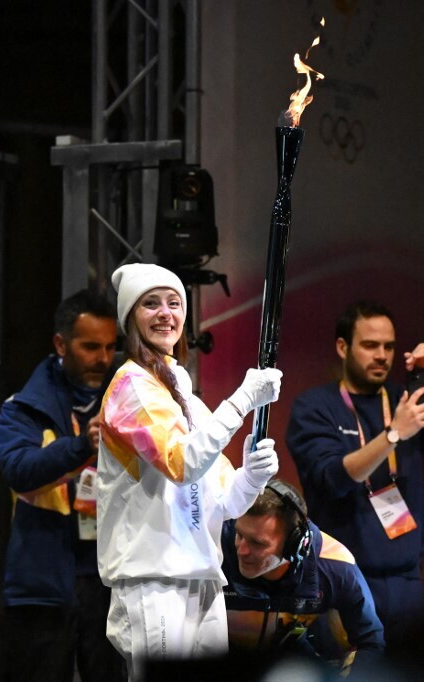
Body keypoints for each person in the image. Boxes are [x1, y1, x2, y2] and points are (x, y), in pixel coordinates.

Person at [96, 263, 282, 678]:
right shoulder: (130, 388)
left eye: (174, 303)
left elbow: (225, 501)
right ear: (130, 317)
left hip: (201, 575)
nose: (165, 313)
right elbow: (182, 463)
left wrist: (253, 475)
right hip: (153, 578)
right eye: (151, 303)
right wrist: (242, 400)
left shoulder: (184, 395)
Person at [286, 300, 424, 645]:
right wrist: (393, 435)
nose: (382, 355)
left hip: (406, 580)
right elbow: (336, 477)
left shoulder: (403, 401)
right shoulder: (314, 407)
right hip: (341, 579)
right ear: (343, 347)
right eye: (370, 345)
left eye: (389, 346)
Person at [0, 289, 125, 681]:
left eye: (109, 347)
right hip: (43, 581)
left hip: (110, 580)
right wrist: (81, 445)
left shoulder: (130, 399)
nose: (102, 358)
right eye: (89, 346)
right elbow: (18, 468)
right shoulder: (22, 408)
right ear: (60, 344)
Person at [220, 478, 385, 674]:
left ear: (295, 544)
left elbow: (371, 641)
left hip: (289, 663)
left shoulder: (336, 565)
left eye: (257, 543)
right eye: (239, 535)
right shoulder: (213, 546)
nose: (242, 550)